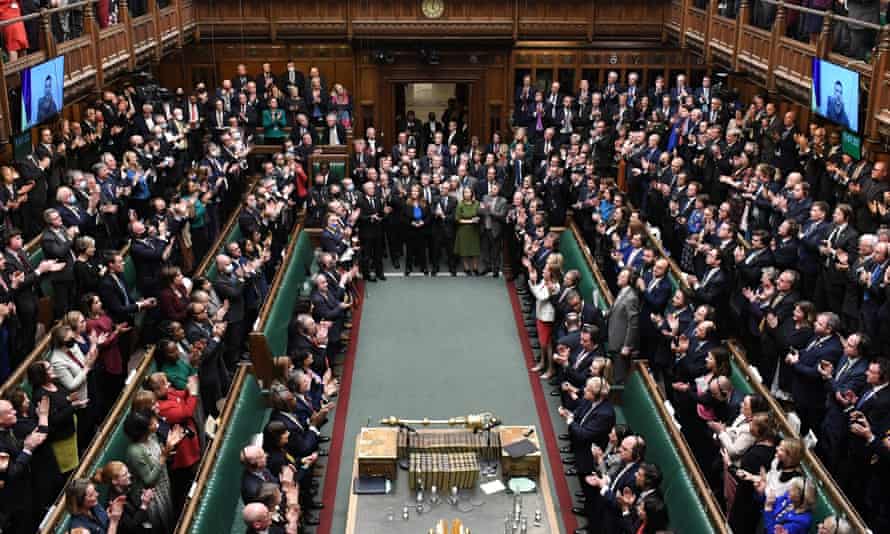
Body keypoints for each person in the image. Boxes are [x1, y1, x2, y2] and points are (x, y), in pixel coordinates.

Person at [123, 410, 182, 534]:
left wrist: (170, 445)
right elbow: (149, 481)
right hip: (151, 498)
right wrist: (164, 455)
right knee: (161, 527)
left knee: (170, 519)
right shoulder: (135, 451)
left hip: (163, 485)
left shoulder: (152, 436)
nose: (156, 424)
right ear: (142, 430)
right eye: (151, 423)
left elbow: (160, 456)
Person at [91, 461, 153, 534]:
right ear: (115, 481)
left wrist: (144, 496)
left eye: (128, 472)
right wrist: (144, 504)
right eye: (124, 475)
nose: (129, 475)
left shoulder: (127, 485)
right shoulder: (115, 503)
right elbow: (131, 527)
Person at [454, 187, 481, 275]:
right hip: (463, 230)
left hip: (474, 230)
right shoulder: (460, 204)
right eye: (465, 192)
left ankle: (475, 268)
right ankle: (467, 268)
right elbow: (457, 219)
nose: (466, 194)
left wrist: (477, 219)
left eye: (468, 192)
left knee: (475, 251)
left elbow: (480, 215)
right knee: (464, 251)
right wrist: (470, 221)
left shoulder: (476, 203)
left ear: (472, 193)